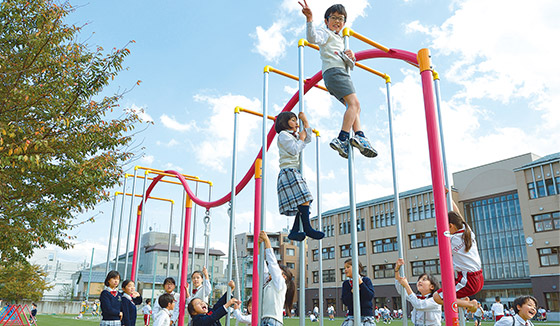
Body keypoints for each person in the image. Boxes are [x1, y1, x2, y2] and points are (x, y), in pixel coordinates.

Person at [299, 1, 377, 159]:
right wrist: (309, 20)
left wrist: (350, 57)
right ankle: (343, 138)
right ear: (326, 21)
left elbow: (348, 61)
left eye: (340, 19)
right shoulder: (325, 33)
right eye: (333, 18)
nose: (337, 21)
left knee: (354, 107)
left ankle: (360, 135)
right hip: (335, 73)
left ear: (344, 23)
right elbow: (313, 38)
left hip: (337, 73)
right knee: (355, 104)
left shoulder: (340, 39)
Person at [275, 111, 324, 241]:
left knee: (302, 203)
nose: (296, 124)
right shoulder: (283, 135)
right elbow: (294, 149)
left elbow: (308, 139)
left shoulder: (293, 135)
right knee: (305, 198)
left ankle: (295, 231)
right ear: (284, 122)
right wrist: (301, 138)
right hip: (288, 170)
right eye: (293, 120)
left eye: (296, 121)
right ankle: (307, 228)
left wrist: (305, 121)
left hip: (294, 171)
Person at [433, 203, 482, 313]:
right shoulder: (466, 230)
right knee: (447, 292)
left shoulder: (452, 240)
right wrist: (446, 196)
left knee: (437, 297)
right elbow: (458, 213)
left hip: (468, 280)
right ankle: (464, 301)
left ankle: (470, 304)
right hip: (477, 277)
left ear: (450, 226)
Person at [259, 231, 297, 325]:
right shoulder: (268, 282)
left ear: (283, 276)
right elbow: (261, 267)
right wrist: (259, 247)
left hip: (273, 321)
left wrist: (267, 241)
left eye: (278, 270)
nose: (272, 272)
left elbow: (272, 264)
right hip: (265, 319)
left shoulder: (280, 283)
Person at [394, 258, 442, 326]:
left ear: (432, 286)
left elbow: (419, 305)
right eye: (419, 279)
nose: (420, 281)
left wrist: (407, 286)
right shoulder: (417, 297)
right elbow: (401, 290)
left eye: (424, 279)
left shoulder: (435, 299)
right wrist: (397, 271)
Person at [341, 258, 376, 325]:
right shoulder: (346, 284)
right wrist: (352, 292)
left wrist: (361, 284)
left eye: (348, 267)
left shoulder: (366, 280)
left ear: (356, 267)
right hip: (352, 316)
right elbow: (345, 301)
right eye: (344, 268)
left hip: (366, 316)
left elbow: (369, 296)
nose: (345, 270)